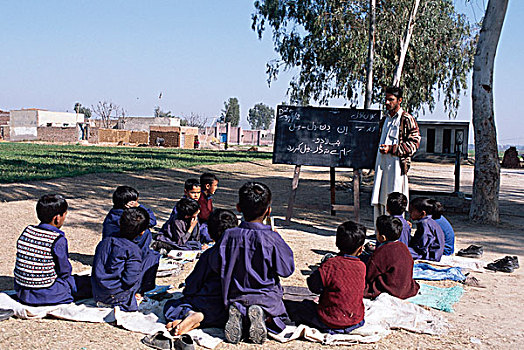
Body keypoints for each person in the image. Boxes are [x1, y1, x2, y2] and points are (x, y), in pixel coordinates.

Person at [216, 182, 294, 344]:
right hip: (265, 297)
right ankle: (263, 316)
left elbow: (217, 265)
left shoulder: (228, 235)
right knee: (279, 314)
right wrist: (278, 240)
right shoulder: (271, 238)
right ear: (268, 211)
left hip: (234, 295)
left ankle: (239, 311)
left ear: (238, 208)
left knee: (236, 304)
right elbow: (286, 270)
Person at [163, 209, 238, 335]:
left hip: (207, 303)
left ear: (210, 232)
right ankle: (199, 320)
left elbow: (194, 283)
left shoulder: (210, 254)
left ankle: (191, 315)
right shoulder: (243, 253)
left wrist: (187, 291)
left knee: (172, 305)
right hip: (230, 306)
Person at [285, 221, 366, 334]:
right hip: (355, 320)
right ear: (361, 249)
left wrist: (320, 270)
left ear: (337, 243)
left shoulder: (331, 265)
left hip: (328, 320)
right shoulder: (362, 267)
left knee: (298, 307)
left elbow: (313, 286)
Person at [14, 194, 91, 306]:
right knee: (85, 284)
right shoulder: (56, 239)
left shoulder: (27, 231)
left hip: (22, 291)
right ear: (57, 218)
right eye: (64, 215)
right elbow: (64, 271)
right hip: (47, 293)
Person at [371, 86, 421, 225]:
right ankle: (379, 232)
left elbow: (414, 143)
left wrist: (392, 149)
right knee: (379, 200)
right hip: (381, 167)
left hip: (397, 169)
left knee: (395, 201)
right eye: (386, 99)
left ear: (399, 100)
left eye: (391, 100)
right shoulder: (384, 119)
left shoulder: (406, 119)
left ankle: (395, 232)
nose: (387, 103)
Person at [102, 186, 159, 294]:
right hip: (123, 256)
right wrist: (140, 207)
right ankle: (144, 288)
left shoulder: (113, 213)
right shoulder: (126, 217)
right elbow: (152, 221)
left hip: (112, 257)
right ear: (128, 204)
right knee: (152, 253)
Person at [92, 207, 150, 312]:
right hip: (117, 298)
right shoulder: (133, 250)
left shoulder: (105, 242)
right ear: (142, 232)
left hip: (98, 293)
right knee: (152, 257)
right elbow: (129, 280)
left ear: (119, 222)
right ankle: (136, 297)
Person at [364, 215, 420, 299]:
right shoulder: (403, 247)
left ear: (383, 237)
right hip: (405, 287)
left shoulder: (382, 251)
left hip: (391, 288)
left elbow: (370, 275)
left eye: (377, 232)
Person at [408, 197, 445, 261]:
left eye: (411, 211)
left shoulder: (425, 224)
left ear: (422, 213)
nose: (409, 213)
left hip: (429, 255)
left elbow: (422, 247)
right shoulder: (427, 221)